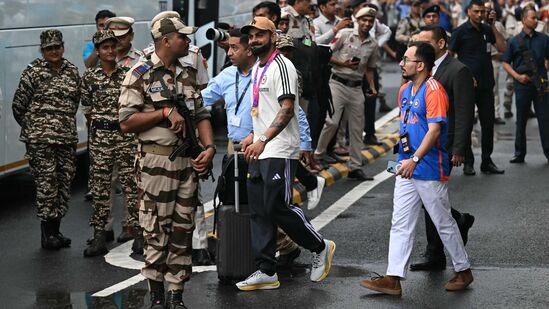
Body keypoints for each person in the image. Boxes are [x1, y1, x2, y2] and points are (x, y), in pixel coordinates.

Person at [360, 42, 473, 296]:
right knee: (400, 221)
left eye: (406, 59)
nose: (401, 63)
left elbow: (434, 131)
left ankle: (463, 270)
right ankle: (393, 278)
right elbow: (406, 126)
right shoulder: (404, 90)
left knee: (442, 220)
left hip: (428, 167)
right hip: (406, 166)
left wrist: (415, 160)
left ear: (420, 65)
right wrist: (402, 159)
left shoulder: (434, 91)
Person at [118, 16, 215, 308]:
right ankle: (157, 296)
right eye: (183, 37)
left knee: (182, 231)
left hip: (188, 164)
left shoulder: (187, 73)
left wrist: (209, 148)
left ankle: (176, 295)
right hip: (156, 165)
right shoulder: (140, 73)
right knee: (156, 231)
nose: (188, 42)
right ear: (166, 40)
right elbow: (125, 121)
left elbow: (201, 115)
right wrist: (162, 114)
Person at [236, 16, 335, 291]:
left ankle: (320, 246)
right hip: (260, 147)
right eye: (251, 36)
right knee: (259, 210)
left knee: (277, 206)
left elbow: (287, 108)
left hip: (278, 149)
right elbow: (263, 110)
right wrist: (252, 136)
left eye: (260, 35)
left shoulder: (282, 66)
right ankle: (266, 269)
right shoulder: (258, 67)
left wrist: (263, 139)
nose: (254, 40)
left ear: (272, 36)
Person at [409, 25, 476, 271]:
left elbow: (464, 112)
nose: (419, 47)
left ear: (440, 44)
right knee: (430, 200)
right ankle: (454, 227)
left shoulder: (458, 70)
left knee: (432, 199)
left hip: (444, 146)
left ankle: (437, 252)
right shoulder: (421, 71)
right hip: (423, 146)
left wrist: (459, 148)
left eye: (424, 42)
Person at [12, 29, 80, 250]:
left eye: (57, 47)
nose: (53, 51)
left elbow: (75, 102)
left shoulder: (72, 71)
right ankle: (47, 234)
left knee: (64, 182)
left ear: (63, 47)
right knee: (46, 184)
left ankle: (56, 231)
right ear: (43, 50)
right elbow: (18, 106)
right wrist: (36, 129)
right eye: (49, 48)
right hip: (40, 141)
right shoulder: (32, 73)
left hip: (66, 138)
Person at [80, 30, 141, 257]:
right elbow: (87, 111)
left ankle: (138, 235)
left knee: (132, 186)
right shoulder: (89, 78)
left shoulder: (127, 74)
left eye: (113, 47)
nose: (110, 51)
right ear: (98, 51)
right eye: (105, 47)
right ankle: (99, 237)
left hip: (126, 137)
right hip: (101, 140)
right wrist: (101, 130)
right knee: (100, 188)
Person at [314, 7, 379, 181]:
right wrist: (343, 63)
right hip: (337, 84)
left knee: (357, 129)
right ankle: (317, 155)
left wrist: (372, 86)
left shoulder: (372, 44)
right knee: (332, 122)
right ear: (357, 20)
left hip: (357, 88)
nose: (366, 23)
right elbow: (326, 54)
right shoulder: (344, 34)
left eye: (370, 21)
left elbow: (370, 69)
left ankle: (355, 167)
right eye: (364, 20)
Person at [448, 0, 506, 176]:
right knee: (466, 124)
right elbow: (450, 57)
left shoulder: (487, 30)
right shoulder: (460, 32)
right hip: (466, 86)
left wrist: (493, 25)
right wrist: (462, 76)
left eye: (482, 11)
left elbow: (502, 48)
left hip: (486, 84)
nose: (480, 15)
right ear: (468, 12)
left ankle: (487, 161)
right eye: (476, 12)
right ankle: (468, 160)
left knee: (488, 124)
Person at [102, 16, 145, 245]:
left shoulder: (140, 60)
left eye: (122, 37)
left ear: (131, 36)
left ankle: (131, 225)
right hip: (105, 132)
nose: (118, 43)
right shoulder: (102, 58)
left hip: (129, 129)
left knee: (131, 180)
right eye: (114, 38)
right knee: (104, 181)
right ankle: (104, 227)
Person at [502, 6, 549, 164]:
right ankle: (519, 153)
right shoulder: (515, 41)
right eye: (533, 18)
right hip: (522, 85)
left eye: (537, 18)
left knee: (545, 119)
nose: (536, 20)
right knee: (521, 120)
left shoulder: (544, 39)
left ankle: (548, 152)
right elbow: (505, 63)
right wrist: (517, 76)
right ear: (523, 20)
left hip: (541, 85)